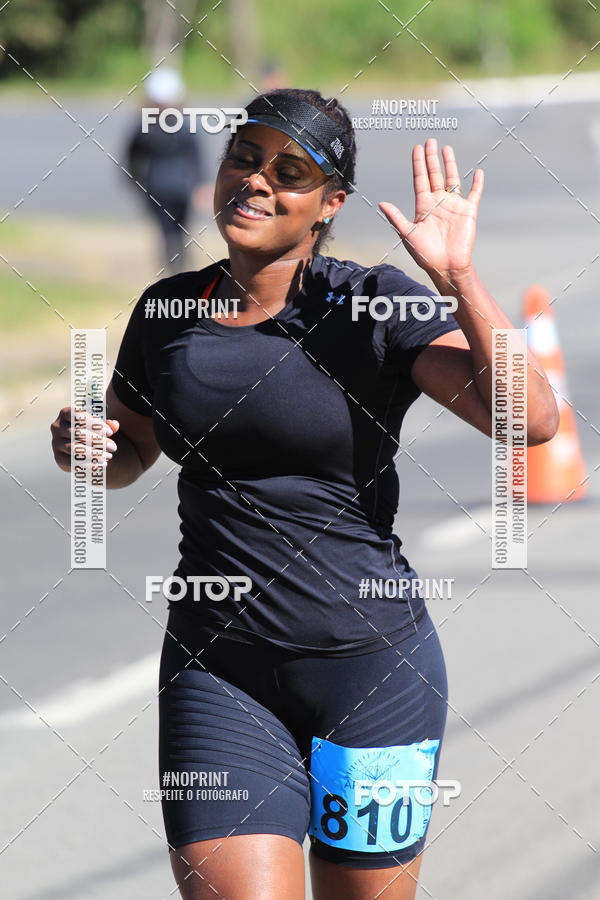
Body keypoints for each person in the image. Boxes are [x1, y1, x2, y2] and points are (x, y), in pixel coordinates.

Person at [51, 87, 558, 899]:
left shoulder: (370, 302)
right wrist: (84, 449)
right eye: (245, 160)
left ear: (329, 204)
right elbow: (129, 452)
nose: (257, 181)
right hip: (218, 671)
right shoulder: (168, 312)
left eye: (290, 171)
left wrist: (458, 275)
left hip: (374, 671)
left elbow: (529, 422)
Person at [124, 67, 211, 273]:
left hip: (163, 188)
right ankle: (179, 270)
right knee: (176, 231)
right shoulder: (181, 125)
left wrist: (201, 185)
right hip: (172, 188)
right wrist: (200, 184)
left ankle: (176, 270)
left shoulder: (144, 126)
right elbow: (196, 156)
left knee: (169, 232)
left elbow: (132, 157)